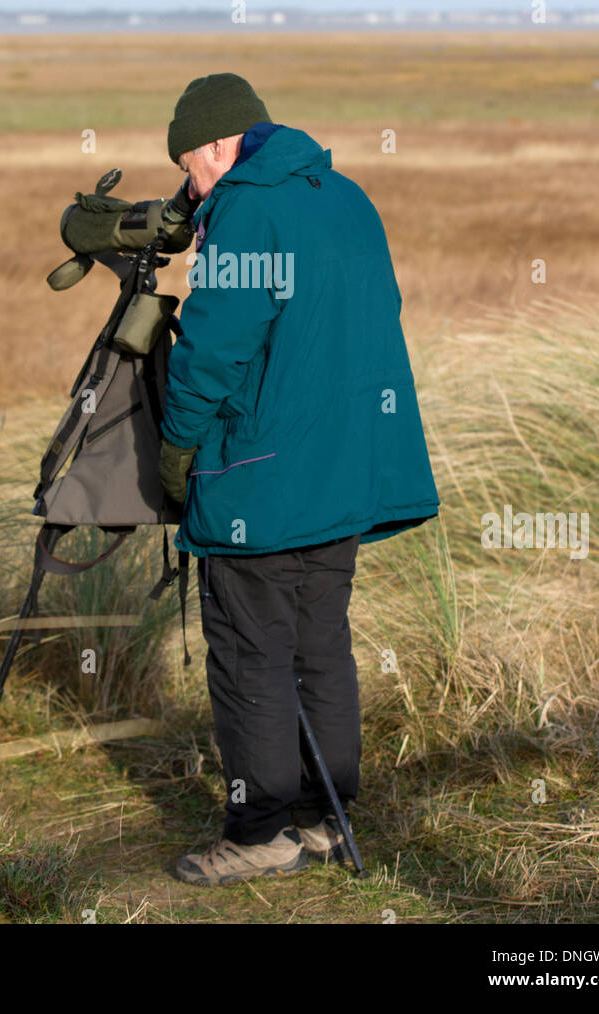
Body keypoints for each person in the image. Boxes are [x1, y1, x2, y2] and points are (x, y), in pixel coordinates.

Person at [158, 72, 439, 886]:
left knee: (251, 654)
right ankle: (326, 818)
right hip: (345, 474)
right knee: (321, 648)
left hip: (262, 481)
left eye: (192, 166)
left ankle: (258, 834)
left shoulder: (249, 208)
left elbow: (211, 349)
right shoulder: (346, 195)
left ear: (217, 144)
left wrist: (177, 448)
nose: (190, 187)